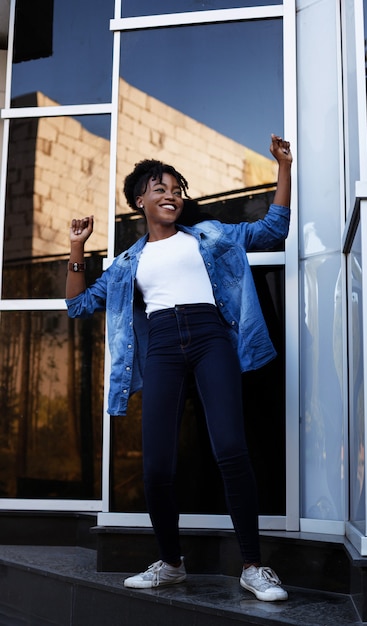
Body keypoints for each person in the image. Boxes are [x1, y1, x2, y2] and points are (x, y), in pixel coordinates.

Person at [66, 134, 292, 602]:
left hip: (211, 337)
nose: (170, 195)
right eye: (159, 188)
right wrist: (76, 248)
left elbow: (273, 229)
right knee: (156, 466)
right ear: (139, 200)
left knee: (231, 448)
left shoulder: (208, 234)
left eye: (176, 188)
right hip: (163, 347)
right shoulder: (130, 262)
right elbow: (78, 305)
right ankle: (170, 563)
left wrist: (283, 168)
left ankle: (252, 565)